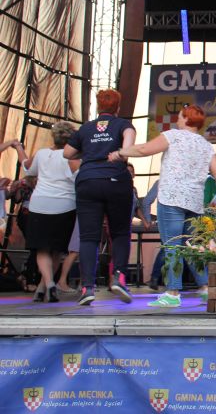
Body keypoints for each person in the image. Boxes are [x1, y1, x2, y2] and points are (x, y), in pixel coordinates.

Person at [114, 104, 216, 308]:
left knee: (172, 246)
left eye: (179, 116)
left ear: (186, 118)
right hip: (194, 202)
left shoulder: (172, 136)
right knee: (192, 246)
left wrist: (120, 151)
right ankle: (206, 288)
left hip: (171, 199)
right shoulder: (205, 145)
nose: (177, 119)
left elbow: (143, 149)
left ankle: (173, 292)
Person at [64, 89, 137, 306]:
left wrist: (89, 151)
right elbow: (127, 150)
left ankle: (87, 287)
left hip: (87, 181)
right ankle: (119, 277)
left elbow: (67, 153)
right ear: (118, 107)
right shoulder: (124, 125)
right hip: (116, 180)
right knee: (120, 233)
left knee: (88, 237)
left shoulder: (85, 128)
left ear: (98, 107)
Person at [11, 124, 80, 302]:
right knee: (57, 250)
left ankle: (46, 285)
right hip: (65, 205)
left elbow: (27, 167)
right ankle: (47, 285)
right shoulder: (74, 158)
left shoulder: (42, 154)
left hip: (40, 204)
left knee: (42, 249)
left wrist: (19, 148)